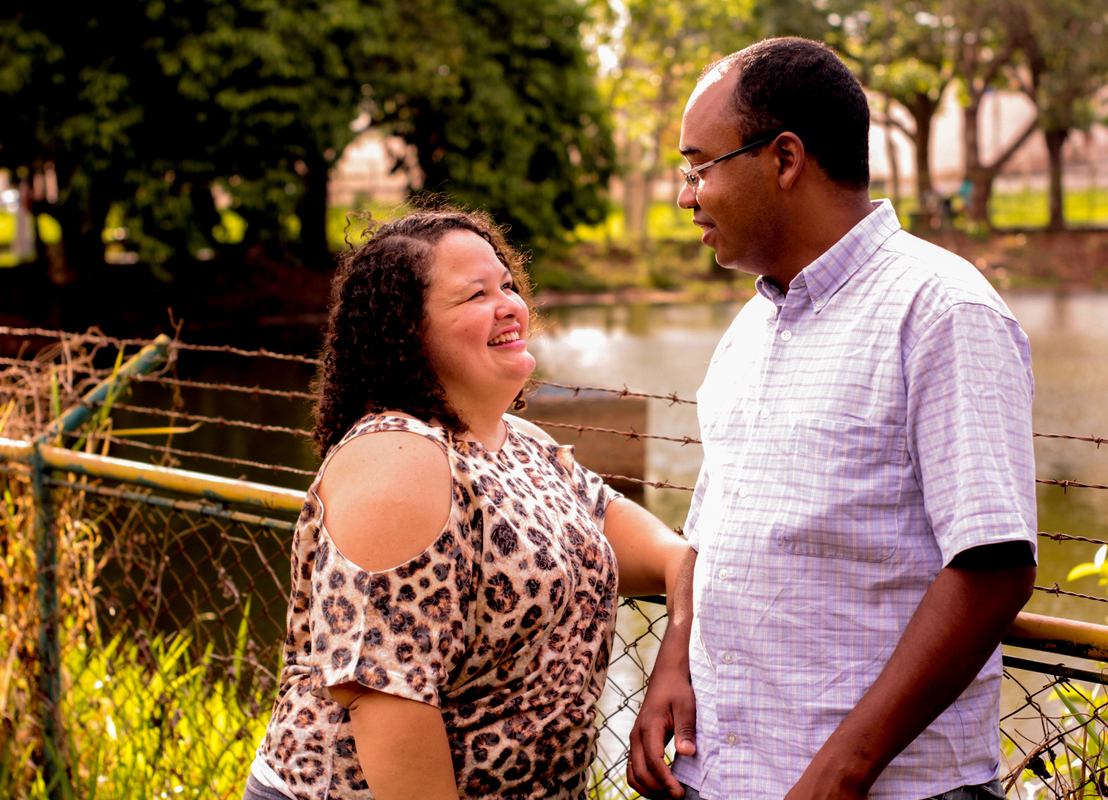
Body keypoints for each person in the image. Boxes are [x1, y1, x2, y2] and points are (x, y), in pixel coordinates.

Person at [628, 37, 1038, 800]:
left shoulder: (940, 310)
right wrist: (672, 662)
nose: (687, 196)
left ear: (784, 159)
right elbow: (711, 538)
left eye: (699, 167)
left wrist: (843, 772)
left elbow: (994, 567)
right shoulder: (751, 328)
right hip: (722, 776)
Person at [243, 208, 690, 800]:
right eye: (476, 294)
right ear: (406, 331)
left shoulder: (519, 443)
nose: (509, 304)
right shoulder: (398, 459)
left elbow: (659, 551)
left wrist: (674, 653)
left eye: (507, 284)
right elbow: (389, 704)